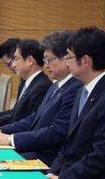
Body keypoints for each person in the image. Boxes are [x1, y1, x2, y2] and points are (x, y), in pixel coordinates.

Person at [0, 31, 81, 166]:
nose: (46, 64)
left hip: (44, 158)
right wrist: (0, 130)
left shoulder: (73, 89)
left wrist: (10, 139)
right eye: (45, 60)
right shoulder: (55, 86)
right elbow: (34, 118)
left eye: (49, 59)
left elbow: (56, 133)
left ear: (66, 58)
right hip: (32, 149)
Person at [47, 26, 105, 179]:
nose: (66, 63)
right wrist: (53, 171)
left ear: (85, 60)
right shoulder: (82, 90)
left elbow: (99, 157)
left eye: (69, 57)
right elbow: (69, 143)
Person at [0, 39, 51, 127]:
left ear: (30, 60)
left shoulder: (41, 87)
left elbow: (29, 122)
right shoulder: (25, 82)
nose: (14, 65)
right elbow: (17, 111)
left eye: (16, 59)